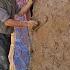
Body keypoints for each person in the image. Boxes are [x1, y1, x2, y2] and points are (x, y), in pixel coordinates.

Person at [5, 0, 38, 70]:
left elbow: (23, 12)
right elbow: (8, 20)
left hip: (24, 24)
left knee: (25, 48)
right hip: (17, 26)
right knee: (20, 48)